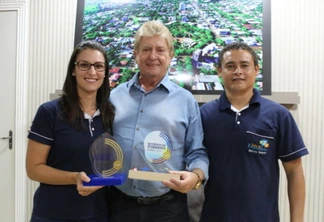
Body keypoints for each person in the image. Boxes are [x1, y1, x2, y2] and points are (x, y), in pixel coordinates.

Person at [108, 20, 209, 222]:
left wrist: (196, 177)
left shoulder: (186, 100)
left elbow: (196, 151)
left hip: (168, 209)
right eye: (146, 49)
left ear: (170, 55)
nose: (153, 56)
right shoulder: (114, 96)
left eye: (160, 50)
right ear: (136, 54)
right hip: (119, 205)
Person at [200, 42, 309, 222]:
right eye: (230, 66)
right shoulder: (204, 114)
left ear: (256, 69)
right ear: (219, 70)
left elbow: (295, 171)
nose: (238, 71)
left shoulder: (278, 115)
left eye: (244, 65)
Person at [26, 40, 115, 221]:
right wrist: (74, 177)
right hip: (53, 213)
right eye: (84, 65)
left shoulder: (109, 114)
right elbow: (34, 169)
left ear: (105, 73)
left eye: (98, 66)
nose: (92, 72)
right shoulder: (50, 112)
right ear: (73, 70)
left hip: (97, 213)